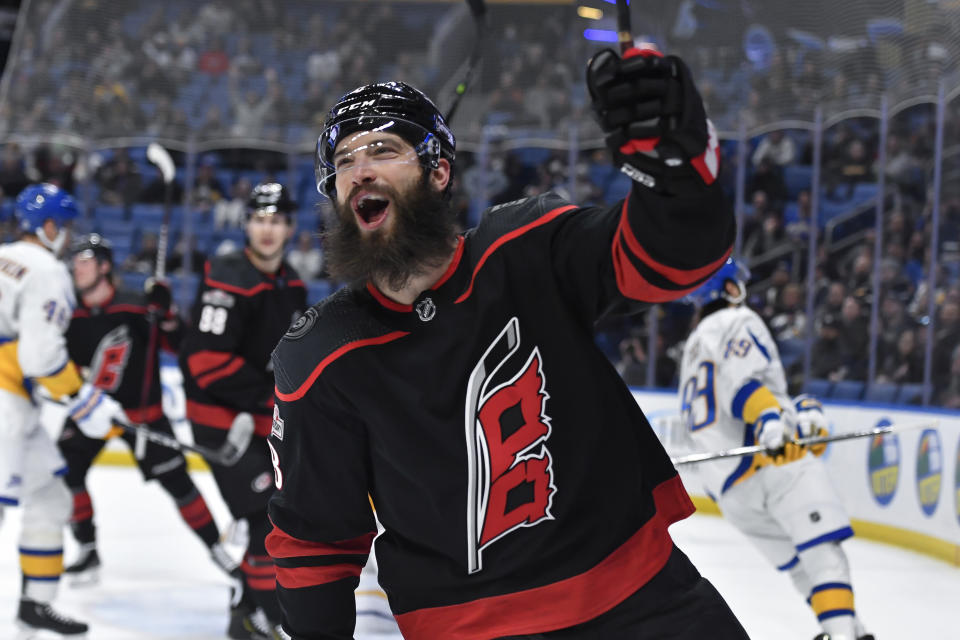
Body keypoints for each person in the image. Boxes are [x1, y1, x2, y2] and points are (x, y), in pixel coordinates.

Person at [267, 46, 749, 639]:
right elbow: (316, 542)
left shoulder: (525, 248)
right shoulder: (322, 353)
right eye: (343, 162)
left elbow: (670, 262)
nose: (359, 170)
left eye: (383, 150)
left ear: (438, 171)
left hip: (644, 603)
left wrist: (676, 175)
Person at [678, 258, 874, 640]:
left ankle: (853, 631)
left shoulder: (693, 346)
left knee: (799, 567)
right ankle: (845, 635)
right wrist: (770, 421)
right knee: (822, 554)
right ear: (731, 289)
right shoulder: (738, 319)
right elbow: (744, 382)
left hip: (729, 491)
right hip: (772, 461)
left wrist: (795, 413)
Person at [57, 233, 236, 584]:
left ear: (105, 267)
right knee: (66, 472)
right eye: (74, 261)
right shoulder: (69, 313)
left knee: (180, 484)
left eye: (85, 261)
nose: (76, 268)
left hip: (144, 416)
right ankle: (87, 548)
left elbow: (179, 344)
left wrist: (166, 314)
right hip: (93, 413)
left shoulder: (136, 306)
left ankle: (219, 550)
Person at [179, 181, 306, 639]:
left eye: (276, 221)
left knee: (274, 515)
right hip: (221, 424)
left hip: (258, 422)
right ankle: (267, 618)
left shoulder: (291, 281)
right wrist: (268, 398)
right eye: (259, 220)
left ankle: (244, 611)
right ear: (247, 223)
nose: (266, 229)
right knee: (263, 518)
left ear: (290, 227)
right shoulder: (230, 273)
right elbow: (206, 362)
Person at [0, 183, 126, 635]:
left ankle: (35, 605)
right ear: (48, 226)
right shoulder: (47, 270)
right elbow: (39, 358)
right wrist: (84, 397)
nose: (67, 236)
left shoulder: (4, 257)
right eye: (65, 226)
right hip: (5, 406)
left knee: (50, 499)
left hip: (15, 402)